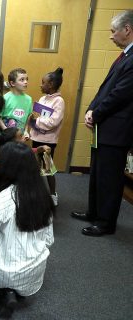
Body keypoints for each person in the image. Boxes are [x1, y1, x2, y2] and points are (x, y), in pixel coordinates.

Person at [71, 10, 133, 237]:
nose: (111, 36)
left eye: (113, 31)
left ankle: (105, 223)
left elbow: (120, 95)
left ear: (127, 30)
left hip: (117, 129)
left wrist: (96, 114)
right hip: (104, 127)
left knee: (110, 178)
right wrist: (91, 109)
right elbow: (105, 88)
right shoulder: (125, 56)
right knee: (98, 173)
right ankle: (94, 212)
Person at [0, 142, 54, 318]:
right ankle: (14, 290)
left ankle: (6, 292)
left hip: (6, 273)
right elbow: (49, 240)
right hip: (35, 274)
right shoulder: (44, 196)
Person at [29, 67, 65, 206]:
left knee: (47, 169)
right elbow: (39, 115)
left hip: (48, 142)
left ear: (50, 85)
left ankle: (52, 194)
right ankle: (34, 193)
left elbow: (53, 122)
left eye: (43, 82)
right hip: (36, 138)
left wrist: (36, 121)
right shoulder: (43, 98)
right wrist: (33, 120)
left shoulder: (59, 101)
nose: (40, 85)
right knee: (35, 168)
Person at [0, 68, 32, 135]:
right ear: (12, 83)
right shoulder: (5, 98)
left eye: (26, 79)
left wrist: (26, 131)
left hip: (20, 136)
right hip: (6, 135)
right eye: (22, 79)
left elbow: (29, 117)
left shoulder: (29, 99)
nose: (25, 82)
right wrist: (5, 130)